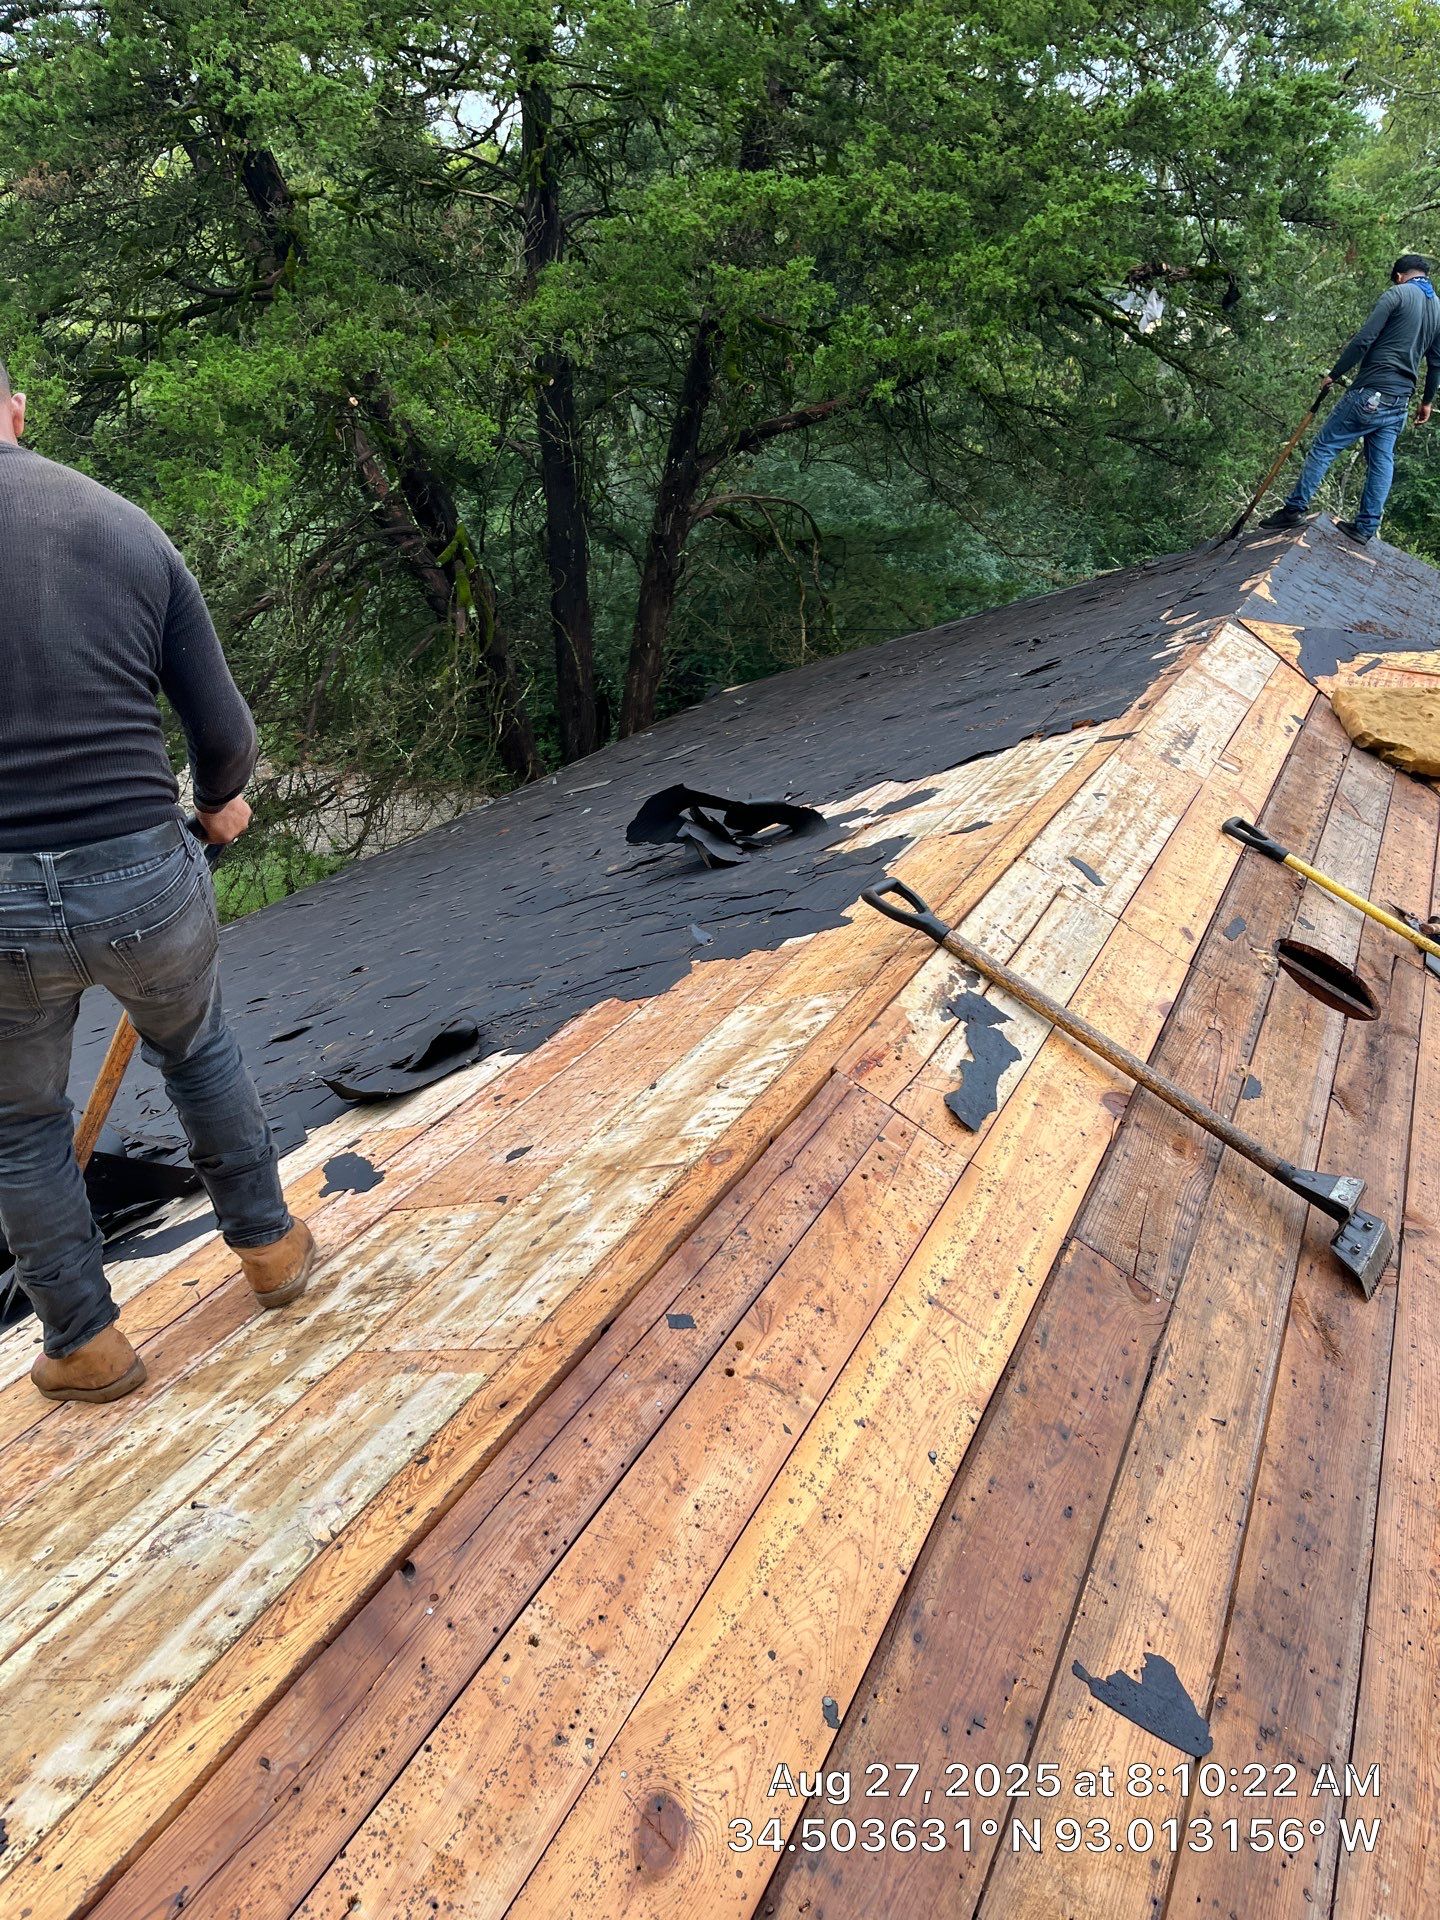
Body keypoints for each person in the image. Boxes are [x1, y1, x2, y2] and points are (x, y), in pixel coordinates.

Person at [0, 359, 314, 1404]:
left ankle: (84, 1343)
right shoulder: (121, 527)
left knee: (18, 1123)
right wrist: (220, 799)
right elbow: (224, 736)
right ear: (16, 409)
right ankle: (269, 1253)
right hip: (142, 882)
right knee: (195, 1045)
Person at [1263, 254, 1439, 544]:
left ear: (1399, 275)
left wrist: (1335, 373)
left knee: (1325, 446)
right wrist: (1427, 401)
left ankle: (1294, 508)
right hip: (1400, 400)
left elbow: (1364, 339)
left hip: (1371, 390)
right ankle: (1366, 527)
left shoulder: (1396, 294)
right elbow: (1436, 363)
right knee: (1382, 462)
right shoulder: (1438, 307)